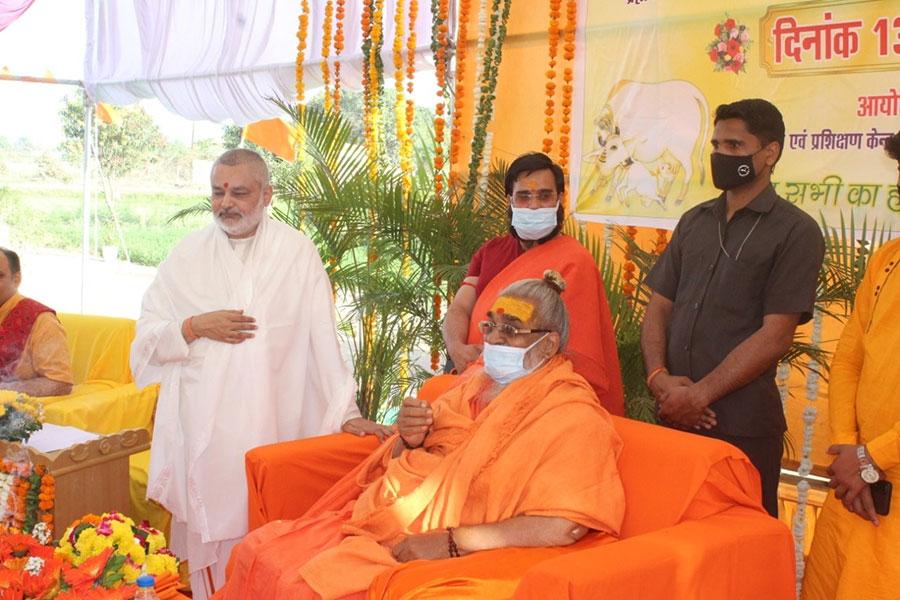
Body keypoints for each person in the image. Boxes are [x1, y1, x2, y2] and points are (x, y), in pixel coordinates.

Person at [214, 271, 626, 599]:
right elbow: (399, 466)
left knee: (305, 588)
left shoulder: (572, 415)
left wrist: (449, 542)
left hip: (461, 546)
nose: (495, 340)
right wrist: (407, 439)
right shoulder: (471, 384)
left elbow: (564, 524)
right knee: (259, 552)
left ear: (550, 345)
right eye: (491, 326)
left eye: (512, 329)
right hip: (388, 524)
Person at [131, 149, 392, 599]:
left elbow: (322, 338)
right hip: (205, 428)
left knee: (267, 538)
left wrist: (344, 410)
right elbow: (146, 338)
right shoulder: (186, 254)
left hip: (273, 421)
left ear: (267, 194)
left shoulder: (296, 252)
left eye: (239, 192)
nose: (225, 203)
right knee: (209, 538)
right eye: (217, 192)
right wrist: (194, 327)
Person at [641, 98, 825, 517]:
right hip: (674, 419)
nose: (722, 156)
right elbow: (658, 308)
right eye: (717, 145)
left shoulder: (796, 231)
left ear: (770, 153)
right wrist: (659, 380)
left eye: (735, 147)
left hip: (742, 430)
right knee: (669, 547)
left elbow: (776, 334)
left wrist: (700, 395)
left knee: (738, 556)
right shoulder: (694, 221)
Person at [442, 152, 624, 415]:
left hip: (531, 400)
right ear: (510, 201)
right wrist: (457, 349)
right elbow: (459, 307)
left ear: (559, 199)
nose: (534, 205)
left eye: (544, 196)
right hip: (469, 385)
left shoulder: (574, 261)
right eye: (524, 196)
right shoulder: (491, 251)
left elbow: (572, 352)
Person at [802, 131, 900, 599]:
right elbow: (848, 361)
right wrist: (847, 447)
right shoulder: (887, 259)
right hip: (858, 490)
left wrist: (873, 457)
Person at [0, 247, 73, 397]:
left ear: (16, 279)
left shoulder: (41, 320)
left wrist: (5, 389)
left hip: (14, 413)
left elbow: (60, 383)